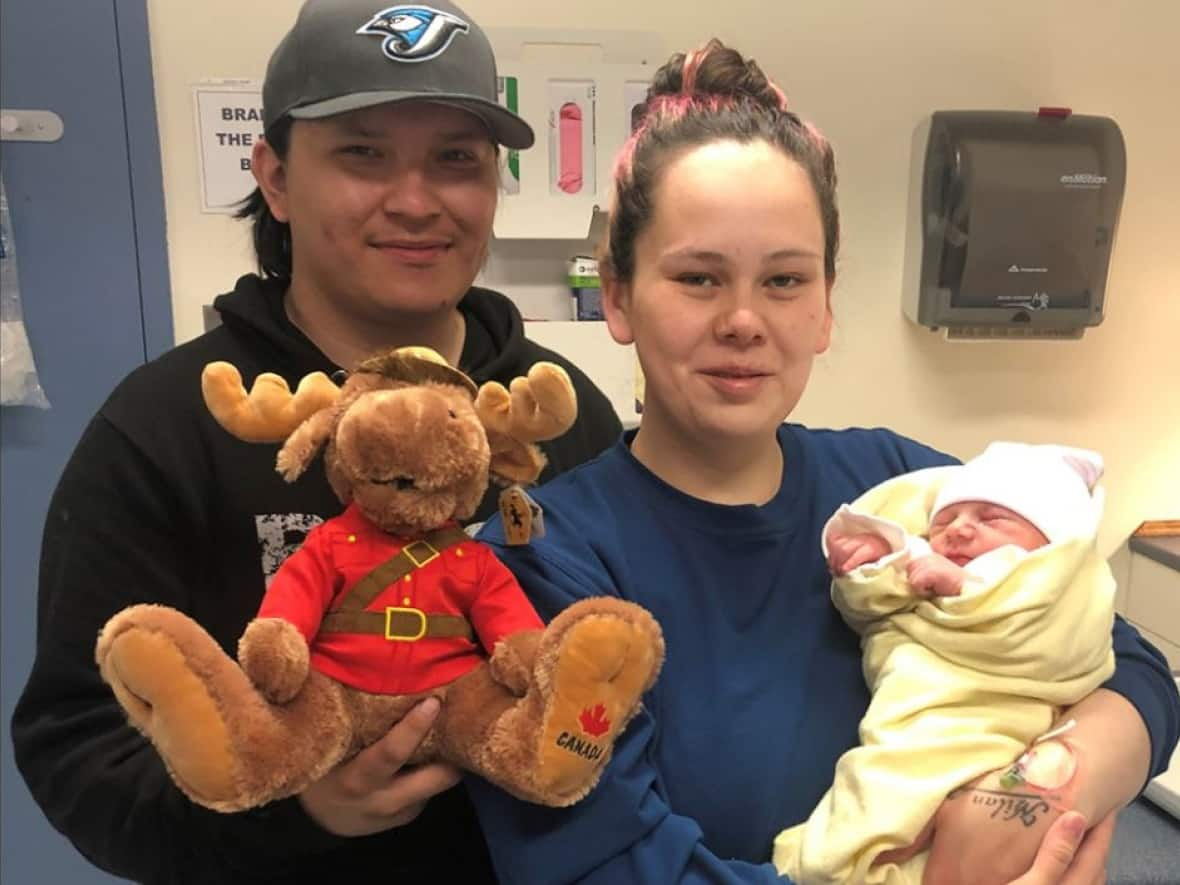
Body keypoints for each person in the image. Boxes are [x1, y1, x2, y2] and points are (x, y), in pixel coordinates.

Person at [464, 39, 1180, 885]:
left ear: (827, 306)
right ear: (618, 295)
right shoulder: (541, 557)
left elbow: (1130, 665)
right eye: (698, 278)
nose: (742, 320)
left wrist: (1030, 797)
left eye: (784, 281)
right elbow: (601, 866)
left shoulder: (902, 489)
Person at [10, 1, 621, 882]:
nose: (415, 201)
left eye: (456, 159)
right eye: (363, 153)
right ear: (276, 176)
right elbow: (76, 745)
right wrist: (290, 811)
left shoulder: (557, 416)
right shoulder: (165, 426)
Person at [773, 442, 1119, 883]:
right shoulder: (925, 559)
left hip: (982, 722)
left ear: (1051, 546)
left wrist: (965, 590)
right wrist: (870, 569)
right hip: (909, 714)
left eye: (992, 519)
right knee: (872, 788)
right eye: (946, 520)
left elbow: (1056, 642)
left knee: (884, 810)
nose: (959, 530)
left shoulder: (1061, 590)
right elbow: (872, 615)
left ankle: (835, 864)